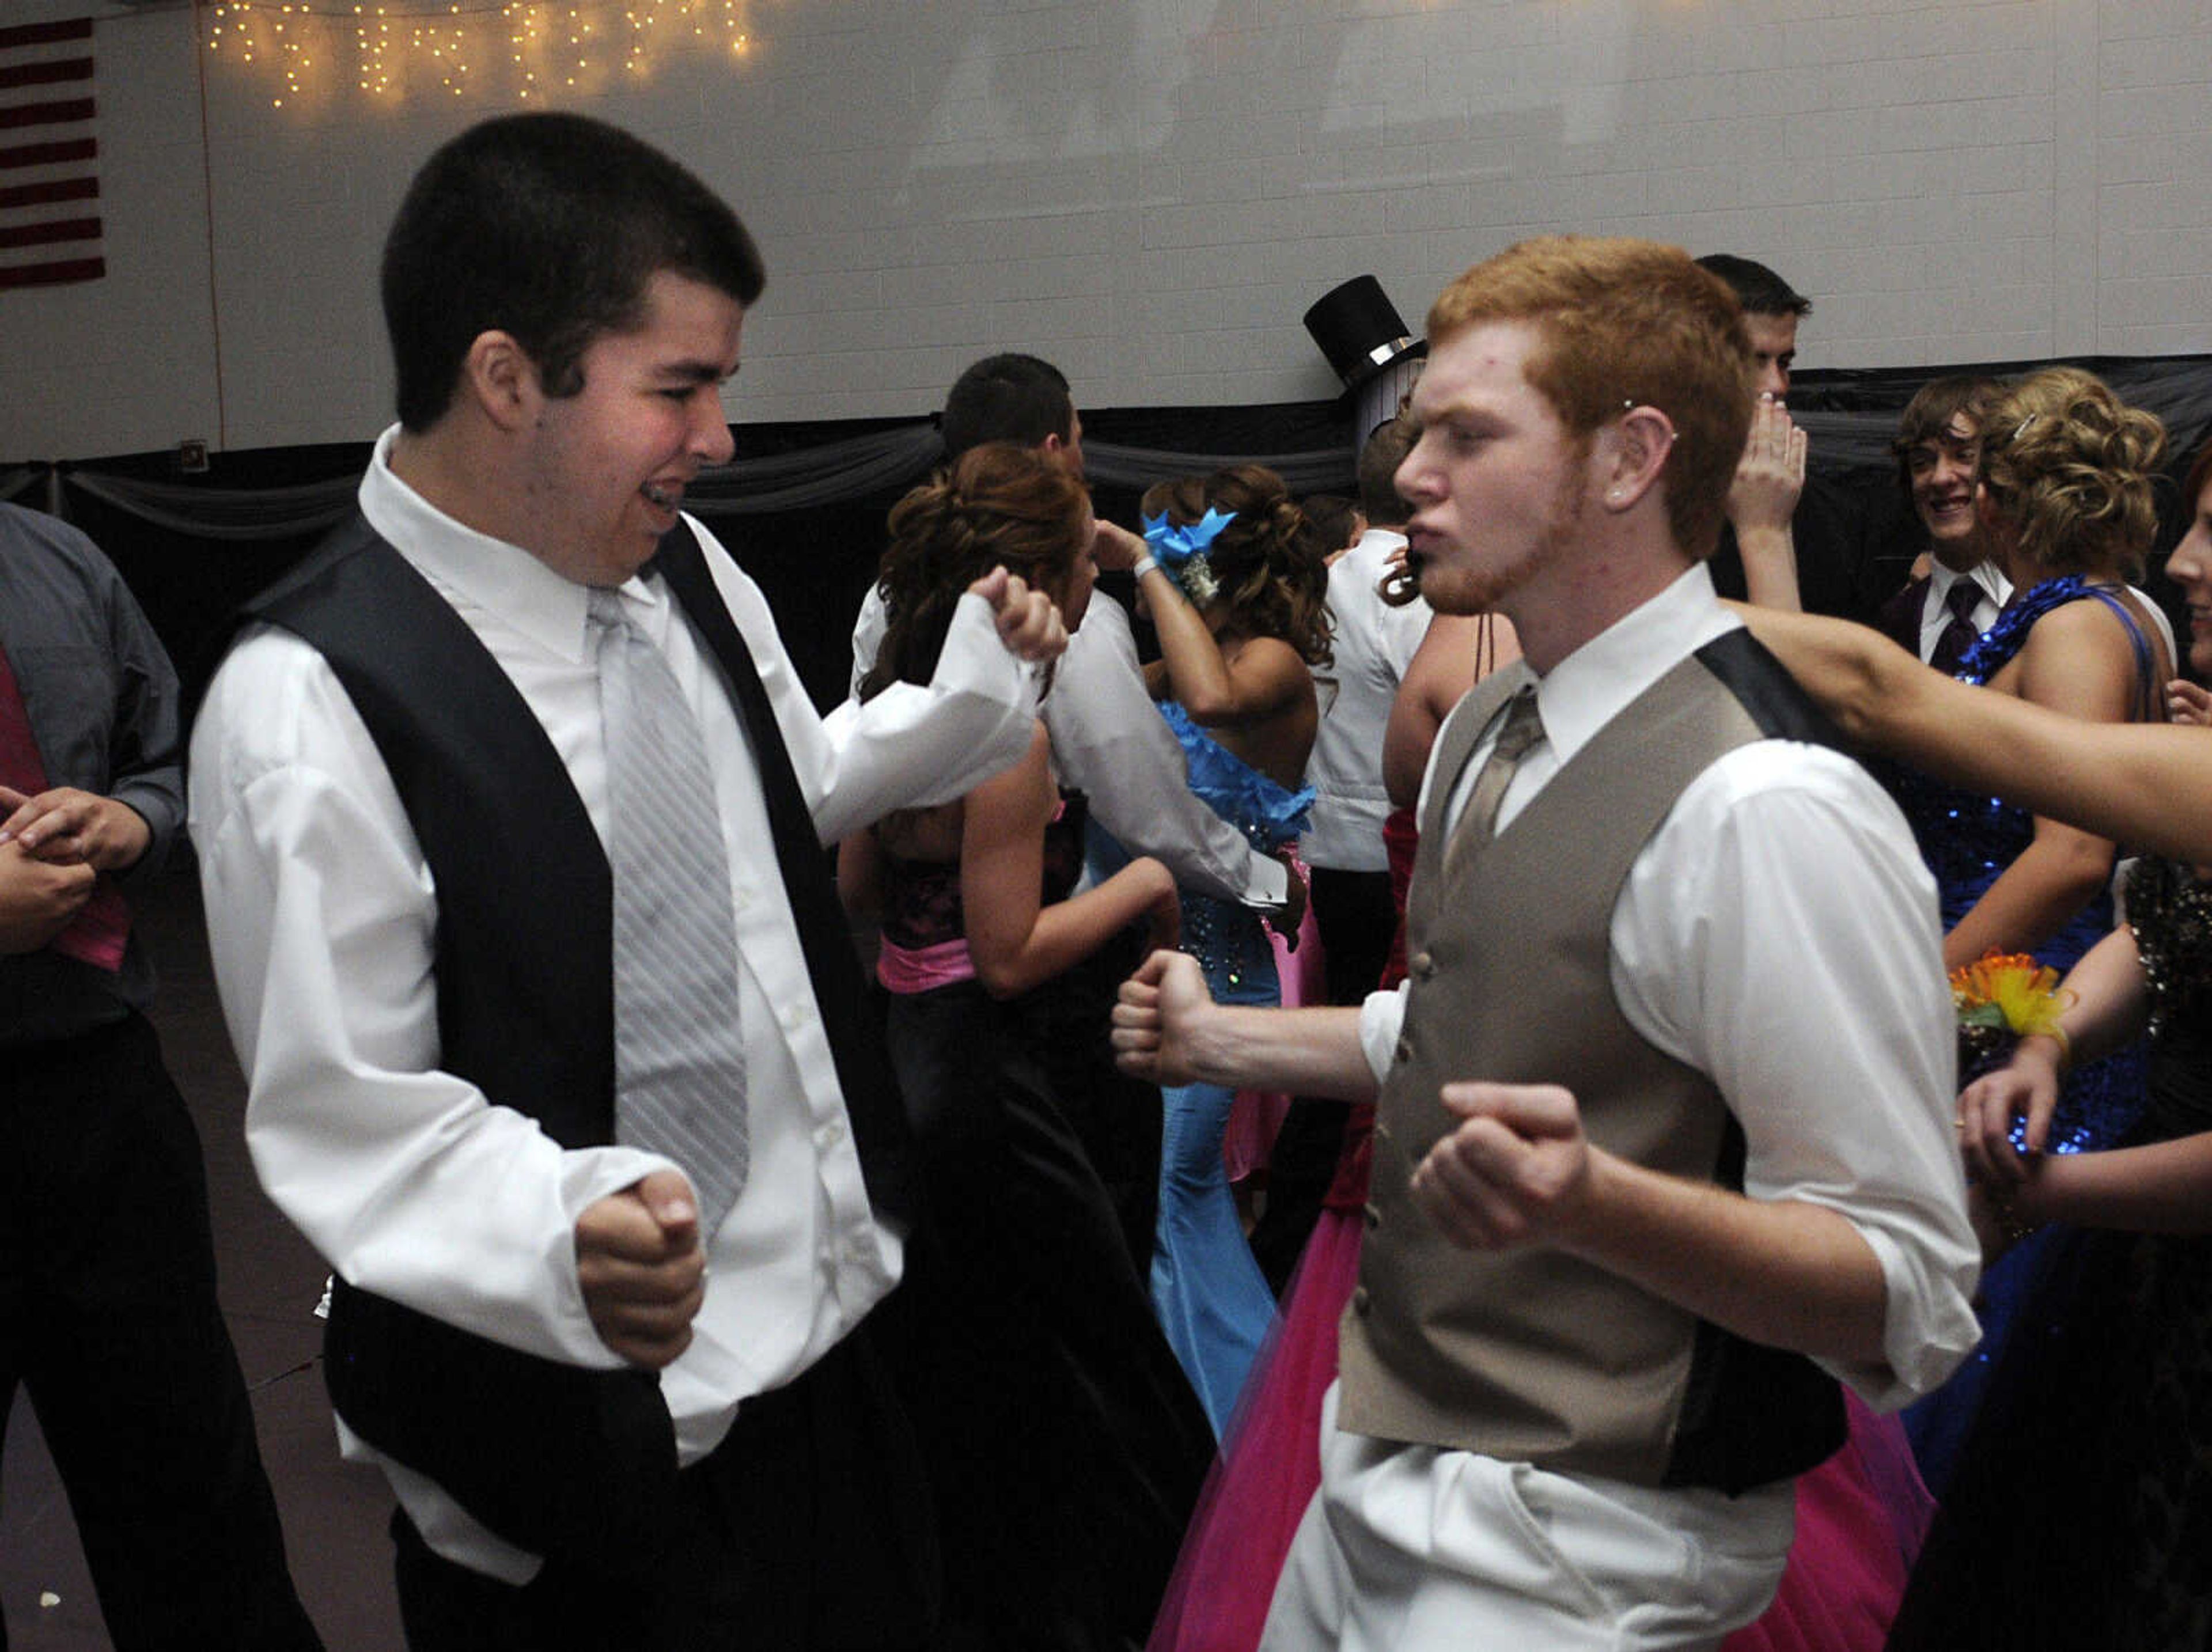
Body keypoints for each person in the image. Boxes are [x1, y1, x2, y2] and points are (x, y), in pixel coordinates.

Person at [189, 112, 1063, 1649]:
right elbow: (348, 1116)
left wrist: (980, 696)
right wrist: (557, 1222)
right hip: (592, 1484)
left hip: (833, 1371)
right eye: (682, 388)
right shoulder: (310, 700)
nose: (722, 437)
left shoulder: (681, 567)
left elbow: (790, 795)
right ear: (508, 377)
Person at [1113, 236, 1979, 1652]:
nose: (1407, 479)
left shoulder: (1765, 801)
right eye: (1413, 436)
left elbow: (1907, 1296)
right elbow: (1470, 1026)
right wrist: (1226, 1036)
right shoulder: (1484, 733)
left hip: (1587, 1545)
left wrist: (1600, 1206)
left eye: (1466, 435)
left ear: (1628, 457)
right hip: (1378, 1465)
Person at [838, 442, 1211, 1649]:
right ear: (1047, 579)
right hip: (978, 1077)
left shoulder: (883, 707)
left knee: (958, 1371)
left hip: (892, 1050)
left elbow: (854, 887)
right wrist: (1147, 879)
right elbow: (1005, 953)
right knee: (1104, 1378)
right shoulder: (1004, 731)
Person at [1876, 437, 2212, 1648]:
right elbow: (2167, 923)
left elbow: (2069, 852)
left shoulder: (2076, 622)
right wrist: (2048, 1046)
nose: (2183, 562)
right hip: (2139, 1227)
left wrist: (2045, 1188)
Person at [850, 351, 1296, 1263]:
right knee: (1122, 1230)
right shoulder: (1038, 679)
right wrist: (1233, 883)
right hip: (1035, 1027)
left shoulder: (892, 621)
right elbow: (1140, 801)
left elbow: (856, 886)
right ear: (1058, 450)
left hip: (908, 1036)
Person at [0, 502, 323, 1651]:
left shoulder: (56, 559)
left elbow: (164, 763)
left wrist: (128, 824)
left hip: (95, 1092)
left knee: (186, 1482)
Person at [1134, 464, 1331, 1435]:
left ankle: (1248, 1433)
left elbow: (1209, 702)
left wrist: (1144, 570)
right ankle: (1200, 1418)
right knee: (1170, 1199)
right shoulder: (1189, 657)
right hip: (1165, 962)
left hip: (1233, 962)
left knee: (1184, 1193)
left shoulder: (1272, 664)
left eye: (1181, 553)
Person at [1250, 415, 1434, 1297]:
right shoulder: (1419, 592)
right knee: (1363, 1073)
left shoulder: (1318, 582)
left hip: (1318, 849)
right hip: (1386, 858)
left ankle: (1295, 1236)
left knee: (1333, 1071)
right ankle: (1323, 1249)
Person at [1694, 253, 1813, 612]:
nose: (1776, 384)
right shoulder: (1634, 506)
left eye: (1785, 363)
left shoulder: (1822, 513)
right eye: (1752, 361)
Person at [1876, 376, 2009, 666]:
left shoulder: (2050, 606)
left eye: (1964, 456)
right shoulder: (1897, 621)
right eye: (1922, 463)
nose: (1940, 478)